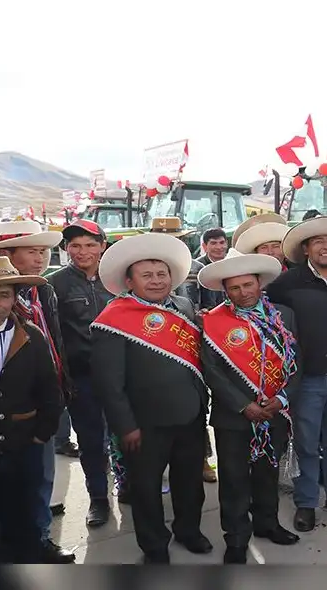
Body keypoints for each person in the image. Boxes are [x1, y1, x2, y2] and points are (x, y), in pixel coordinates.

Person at [91, 232, 213, 564]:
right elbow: (108, 382)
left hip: (190, 415)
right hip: (143, 424)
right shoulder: (113, 318)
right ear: (129, 280)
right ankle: (154, 545)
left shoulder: (184, 305)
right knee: (146, 490)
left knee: (190, 483)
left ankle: (189, 530)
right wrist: (125, 426)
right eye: (147, 275)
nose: (156, 281)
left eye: (162, 274)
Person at [0, 220, 76, 564]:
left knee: (32, 490)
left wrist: (45, 425)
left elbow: (50, 353)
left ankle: (37, 540)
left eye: (44, 251)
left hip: (30, 423)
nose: (41, 258)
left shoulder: (41, 298)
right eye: (31, 251)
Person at [198, 250, 302, 563]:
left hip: (275, 413)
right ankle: (237, 538)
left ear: (259, 283)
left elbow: (298, 362)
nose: (243, 293)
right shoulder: (213, 321)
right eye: (235, 288)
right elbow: (211, 372)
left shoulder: (284, 315)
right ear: (225, 291)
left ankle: (267, 523)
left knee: (267, 472)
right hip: (233, 417)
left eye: (248, 285)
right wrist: (244, 405)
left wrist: (282, 399)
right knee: (233, 478)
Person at [266, 216, 327, 532]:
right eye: (318, 241)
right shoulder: (286, 284)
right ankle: (306, 502)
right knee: (306, 443)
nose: (326, 246)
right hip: (305, 380)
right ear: (306, 248)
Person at [47, 220, 115, 526]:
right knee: (90, 440)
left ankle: (127, 486)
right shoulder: (54, 285)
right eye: (75, 245)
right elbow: (53, 334)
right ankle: (99, 499)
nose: (82, 251)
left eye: (90, 244)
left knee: (129, 434)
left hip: (122, 376)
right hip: (82, 379)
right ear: (65, 249)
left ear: (102, 245)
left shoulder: (118, 279)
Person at [148, 216, 218, 484]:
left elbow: (209, 302)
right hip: (153, 340)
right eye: (163, 237)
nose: (170, 242)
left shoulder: (195, 267)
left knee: (195, 405)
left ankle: (201, 458)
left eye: (175, 237)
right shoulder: (143, 268)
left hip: (188, 341)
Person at [195, 227, 230, 311]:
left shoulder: (234, 263)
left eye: (222, 242)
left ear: (227, 243)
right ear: (204, 246)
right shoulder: (196, 268)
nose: (219, 247)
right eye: (213, 243)